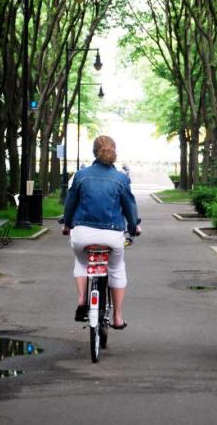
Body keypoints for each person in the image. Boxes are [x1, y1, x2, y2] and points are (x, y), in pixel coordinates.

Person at [62, 135, 139, 330]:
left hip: (82, 234)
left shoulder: (81, 175)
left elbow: (70, 204)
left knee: (81, 262)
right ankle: (118, 317)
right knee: (116, 269)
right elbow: (130, 207)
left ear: (93, 152)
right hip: (111, 235)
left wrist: (67, 225)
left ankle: (82, 300)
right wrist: (133, 226)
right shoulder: (121, 178)